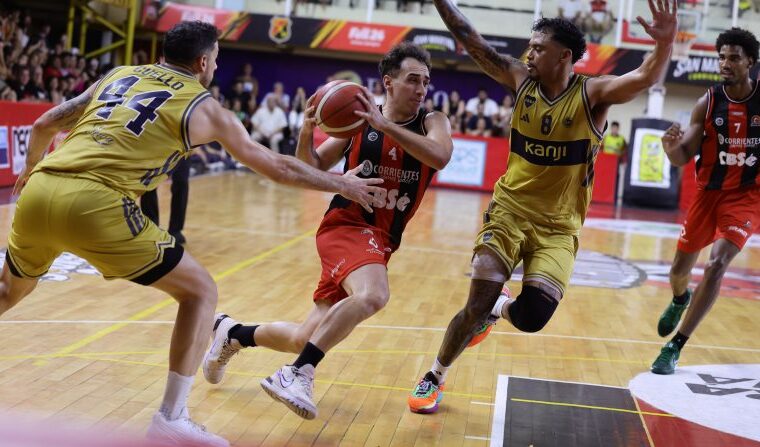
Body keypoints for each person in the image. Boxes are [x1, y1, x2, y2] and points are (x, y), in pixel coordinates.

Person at [2, 20, 382, 446]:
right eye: (216, 60)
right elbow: (275, 166)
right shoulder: (204, 106)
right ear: (203, 62)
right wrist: (341, 183)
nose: (215, 68)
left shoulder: (119, 75)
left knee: (8, 293)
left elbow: (45, 124)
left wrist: (29, 170)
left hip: (39, 190)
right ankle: (172, 417)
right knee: (200, 292)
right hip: (97, 203)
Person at [407, 0, 678, 414]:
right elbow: (471, 40)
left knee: (532, 317)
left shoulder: (593, 94)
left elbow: (645, 77)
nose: (529, 54)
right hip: (509, 211)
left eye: (538, 48)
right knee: (474, 301)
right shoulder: (520, 80)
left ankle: (499, 308)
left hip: (558, 227)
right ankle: (435, 375)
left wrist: (665, 43)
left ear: (564, 56)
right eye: (529, 46)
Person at [201, 42, 453, 420]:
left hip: (382, 240)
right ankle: (296, 373)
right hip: (346, 225)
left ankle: (233, 333)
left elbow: (441, 156)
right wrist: (307, 131)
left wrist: (385, 125)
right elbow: (312, 167)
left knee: (305, 337)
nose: (421, 89)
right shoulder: (357, 121)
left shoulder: (432, 121)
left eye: (426, 82)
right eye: (413, 80)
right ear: (388, 82)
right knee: (373, 294)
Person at [650, 28, 760, 375]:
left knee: (716, 264)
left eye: (734, 58)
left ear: (750, 62)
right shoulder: (708, 103)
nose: (725, 63)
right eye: (722, 57)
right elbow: (683, 156)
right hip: (707, 194)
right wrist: (670, 149)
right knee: (678, 272)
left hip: (746, 197)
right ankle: (680, 298)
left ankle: (675, 345)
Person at [140, 158, 190, 245]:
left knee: (182, 181)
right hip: (152, 150)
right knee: (149, 183)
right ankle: (152, 230)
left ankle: (176, 230)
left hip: (181, 151)